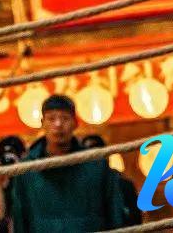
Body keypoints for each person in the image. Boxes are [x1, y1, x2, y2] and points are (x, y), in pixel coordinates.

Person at [9, 94, 126, 232]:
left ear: (75, 123)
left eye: (65, 118)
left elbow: (114, 213)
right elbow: (20, 219)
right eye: (51, 119)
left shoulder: (96, 165)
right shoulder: (27, 169)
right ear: (42, 122)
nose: (58, 124)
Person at [82, 134, 141, 226]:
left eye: (96, 151)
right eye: (88, 153)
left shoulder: (124, 186)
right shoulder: (78, 187)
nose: (93, 158)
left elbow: (136, 219)